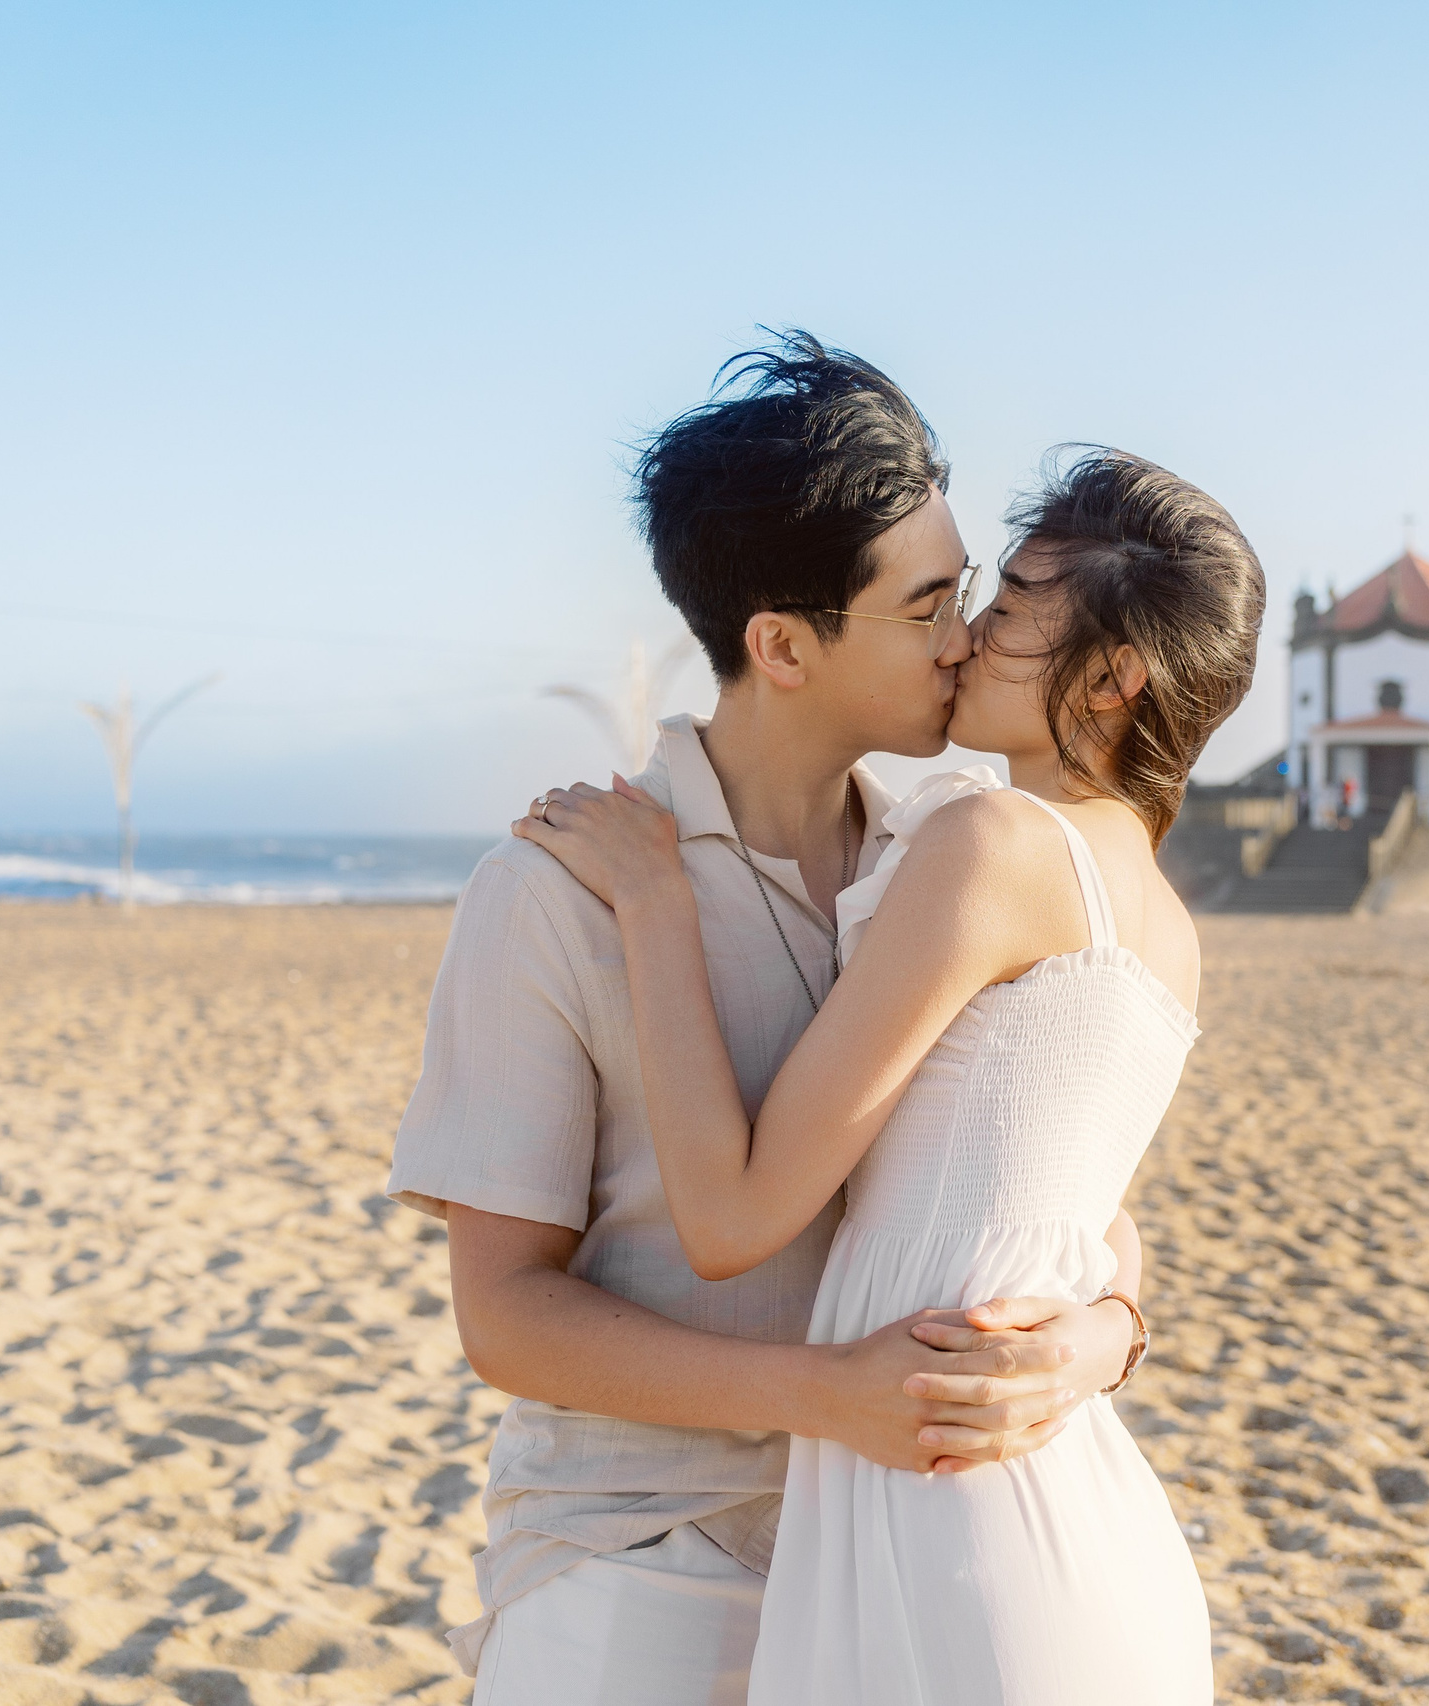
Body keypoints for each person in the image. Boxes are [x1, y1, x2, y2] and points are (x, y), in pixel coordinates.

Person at [385, 335, 1147, 1706]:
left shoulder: (955, 866)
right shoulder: (552, 894)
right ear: (782, 644)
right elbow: (503, 1315)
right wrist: (821, 1391)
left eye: (967, 593)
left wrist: (1108, 1336)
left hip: (906, 1563)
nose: (965, 639)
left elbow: (1068, 1185)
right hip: (641, 1561)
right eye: (925, 607)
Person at [517, 446, 1264, 1703]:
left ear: (1117, 677)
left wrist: (654, 899)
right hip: (1063, 1511)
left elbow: (734, 1217)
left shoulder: (992, 842)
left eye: (1013, 606)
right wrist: (1110, 1327)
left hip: (952, 1523)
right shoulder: (1165, 922)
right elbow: (1063, 1208)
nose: (966, 637)